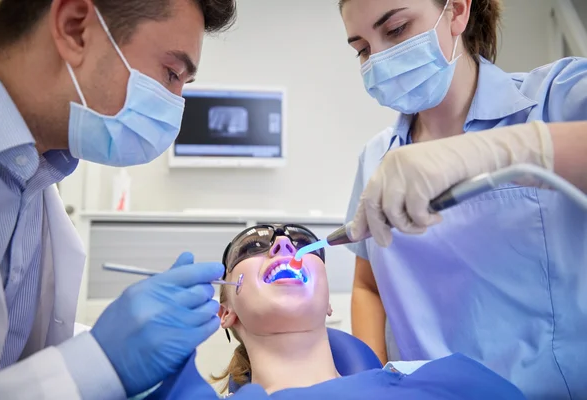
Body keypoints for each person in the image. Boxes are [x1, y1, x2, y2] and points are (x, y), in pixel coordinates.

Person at [0, 0, 235, 399]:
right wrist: (101, 363)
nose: (174, 108)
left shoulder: (35, 178)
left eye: (182, 84)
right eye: (170, 73)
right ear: (75, 28)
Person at [339, 0, 587, 398]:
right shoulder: (377, 160)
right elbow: (367, 287)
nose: (379, 59)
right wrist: (372, 385)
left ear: (456, 11)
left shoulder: (555, 99)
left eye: (397, 29)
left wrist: (511, 149)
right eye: (363, 49)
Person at [143, 224, 526, 400]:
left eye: (303, 244)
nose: (282, 246)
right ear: (226, 312)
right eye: (253, 245)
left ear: (328, 303)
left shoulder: (446, 378)